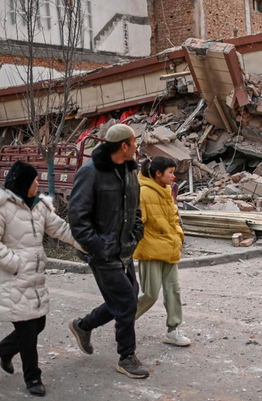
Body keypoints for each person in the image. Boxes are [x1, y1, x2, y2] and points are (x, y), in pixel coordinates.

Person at [67, 124, 149, 379]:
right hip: (102, 254)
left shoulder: (128, 170)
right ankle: (126, 356)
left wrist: (137, 232)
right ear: (123, 146)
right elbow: (77, 220)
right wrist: (99, 248)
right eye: (134, 143)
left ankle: (83, 325)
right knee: (126, 302)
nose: (137, 147)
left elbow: (134, 206)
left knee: (129, 297)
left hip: (124, 250)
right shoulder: (90, 172)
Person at [0, 161, 83, 397]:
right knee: (27, 333)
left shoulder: (39, 207)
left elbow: (61, 229)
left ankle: (4, 351)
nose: (39, 183)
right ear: (24, 183)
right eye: (35, 179)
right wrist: (15, 263)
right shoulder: (3, 207)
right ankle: (32, 378)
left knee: (39, 324)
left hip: (35, 279)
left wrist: (86, 244)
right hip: (14, 278)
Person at [134, 157, 190, 346]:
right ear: (158, 173)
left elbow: (174, 217)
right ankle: (125, 321)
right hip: (151, 251)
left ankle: (173, 330)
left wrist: (178, 235)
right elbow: (136, 223)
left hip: (169, 247)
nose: (174, 176)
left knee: (173, 290)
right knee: (150, 294)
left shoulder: (166, 190)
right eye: (171, 172)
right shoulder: (143, 193)